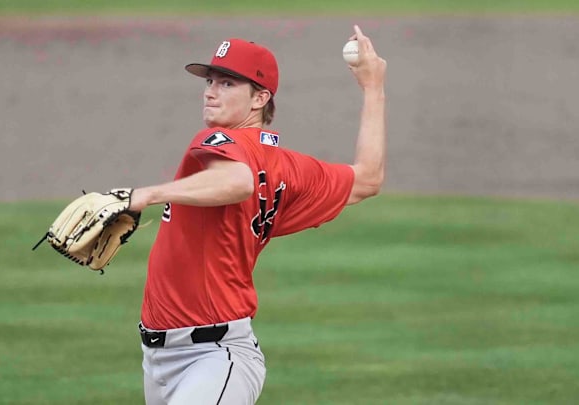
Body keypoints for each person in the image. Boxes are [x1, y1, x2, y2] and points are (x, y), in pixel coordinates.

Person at [127, 24, 386, 405]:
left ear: (259, 98)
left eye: (228, 83)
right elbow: (367, 179)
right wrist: (373, 86)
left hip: (213, 359)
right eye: (211, 79)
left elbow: (239, 180)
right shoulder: (290, 167)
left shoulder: (219, 142)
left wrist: (148, 194)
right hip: (167, 360)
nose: (211, 90)